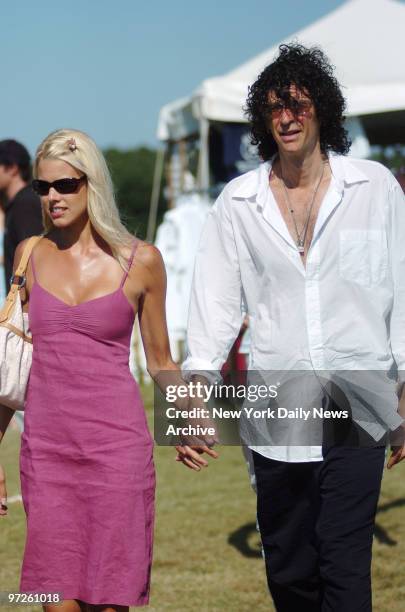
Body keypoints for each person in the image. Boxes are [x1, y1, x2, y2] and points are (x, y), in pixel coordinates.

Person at [177, 44, 405, 611]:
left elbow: (401, 289)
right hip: (278, 414)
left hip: (361, 402)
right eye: (276, 108)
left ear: (320, 110)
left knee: (345, 562)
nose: (288, 117)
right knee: (290, 568)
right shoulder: (238, 203)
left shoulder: (373, 189)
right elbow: (212, 310)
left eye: (299, 104)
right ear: (262, 120)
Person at [0, 128, 185, 612]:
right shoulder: (29, 256)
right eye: (43, 187)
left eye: (65, 185)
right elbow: (9, 368)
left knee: (109, 603)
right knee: (52, 600)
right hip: (48, 455)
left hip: (116, 454)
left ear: (92, 184)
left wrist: (187, 418)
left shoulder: (141, 261)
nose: (52, 197)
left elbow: (161, 361)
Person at [0, 139, 43, 290]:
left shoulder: (25, 205)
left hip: (27, 308)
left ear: (12, 168)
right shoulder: (18, 203)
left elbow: (33, 263)